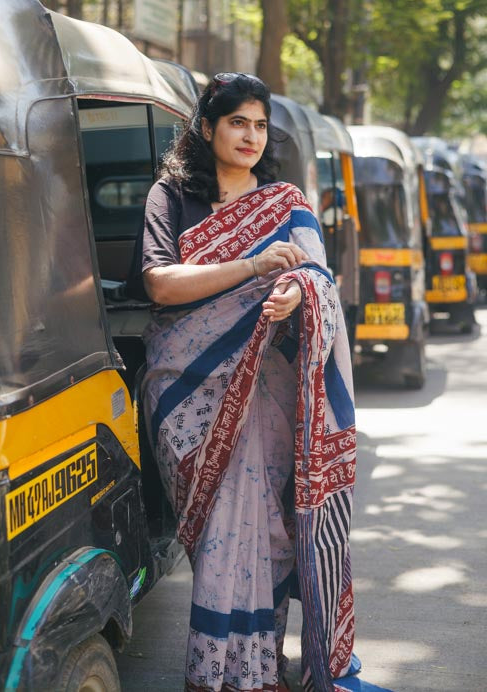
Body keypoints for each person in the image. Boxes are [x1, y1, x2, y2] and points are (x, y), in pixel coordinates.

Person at [140, 73, 358, 692]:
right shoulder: (170, 196)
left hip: (269, 392)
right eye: (237, 122)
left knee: (266, 533)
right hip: (187, 392)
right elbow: (161, 284)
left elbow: (317, 279)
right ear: (207, 128)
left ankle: (261, 671)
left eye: (260, 125)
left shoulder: (285, 202)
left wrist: (293, 290)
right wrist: (255, 266)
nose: (250, 136)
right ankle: (218, 678)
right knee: (220, 538)